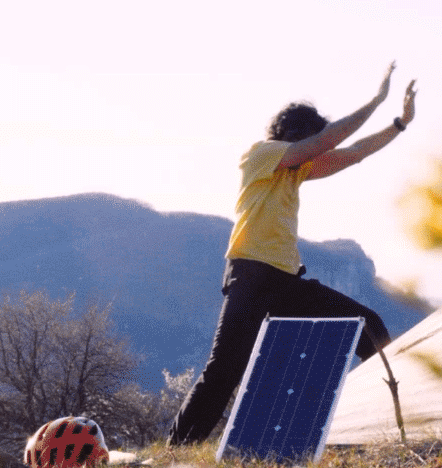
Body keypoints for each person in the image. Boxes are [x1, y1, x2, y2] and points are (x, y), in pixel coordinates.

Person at [168, 63, 418, 446]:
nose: (318, 145)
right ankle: (178, 447)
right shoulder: (261, 155)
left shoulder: (295, 172)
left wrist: (398, 124)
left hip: (285, 281)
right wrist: (377, 100)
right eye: (312, 137)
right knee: (225, 370)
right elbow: (326, 144)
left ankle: (403, 423)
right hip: (250, 276)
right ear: (292, 134)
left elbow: (352, 153)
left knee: (368, 324)